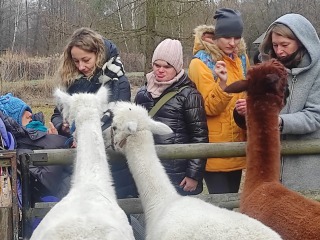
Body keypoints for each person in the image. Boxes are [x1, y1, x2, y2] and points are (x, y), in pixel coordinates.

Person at [234, 13, 320, 191]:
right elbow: (263, 108)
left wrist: (279, 121)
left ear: (301, 41)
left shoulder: (317, 73)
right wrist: (249, 112)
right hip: (269, 168)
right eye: (275, 45)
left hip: (305, 170)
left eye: (285, 45)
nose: (279, 50)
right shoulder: (269, 70)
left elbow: (314, 116)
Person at [51, 27, 138, 199]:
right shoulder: (73, 82)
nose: (81, 66)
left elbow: (115, 120)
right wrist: (63, 125)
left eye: (86, 60)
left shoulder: (117, 82)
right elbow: (57, 114)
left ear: (98, 54)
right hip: (80, 162)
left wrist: (82, 132)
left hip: (112, 166)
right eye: (76, 61)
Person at [135, 38, 209, 196]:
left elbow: (199, 137)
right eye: (157, 65)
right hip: (147, 172)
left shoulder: (190, 95)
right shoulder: (142, 93)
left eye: (167, 66)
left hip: (177, 175)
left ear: (177, 67)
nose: (160, 70)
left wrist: (193, 175)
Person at [188, 8, 250, 194]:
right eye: (227, 37)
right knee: (222, 206)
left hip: (238, 145)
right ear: (217, 36)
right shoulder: (200, 63)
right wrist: (222, 84)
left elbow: (247, 93)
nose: (233, 43)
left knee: (231, 202)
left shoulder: (241, 59)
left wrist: (249, 107)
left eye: (237, 37)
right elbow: (208, 107)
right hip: (215, 148)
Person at [0, 93, 72, 202]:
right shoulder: (19, 149)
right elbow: (48, 184)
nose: (30, 114)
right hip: (60, 201)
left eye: (28, 109)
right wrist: (55, 141)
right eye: (23, 112)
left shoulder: (37, 137)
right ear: (12, 118)